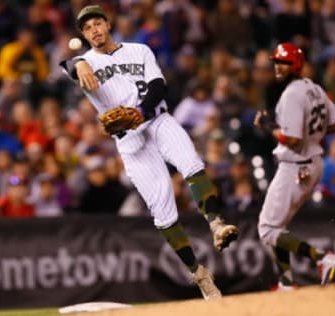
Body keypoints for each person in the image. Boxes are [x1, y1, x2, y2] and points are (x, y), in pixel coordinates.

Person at [60, 5, 238, 300]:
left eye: (97, 23)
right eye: (87, 27)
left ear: (108, 24)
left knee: (191, 163)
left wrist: (140, 111)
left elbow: (158, 86)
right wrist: (78, 63)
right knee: (163, 213)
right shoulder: (85, 62)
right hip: (130, 143)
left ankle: (216, 224)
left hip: (156, 120)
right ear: (83, 34)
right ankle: (200, 274)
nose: (94, 30)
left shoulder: (139, 50)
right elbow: (65, 66)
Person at [253, 42, 335, 290]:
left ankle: (323, 258)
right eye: (276, 62)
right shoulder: (313, 88)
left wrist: (268, 126)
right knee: (277, 226)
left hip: (295, 165)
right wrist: (313, 134)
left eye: (283, 62)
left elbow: (292, 140)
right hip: (312, 163)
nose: (277, 66)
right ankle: (285, 283)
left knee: (267, 229)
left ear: (295, 64)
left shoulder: (292, 94)